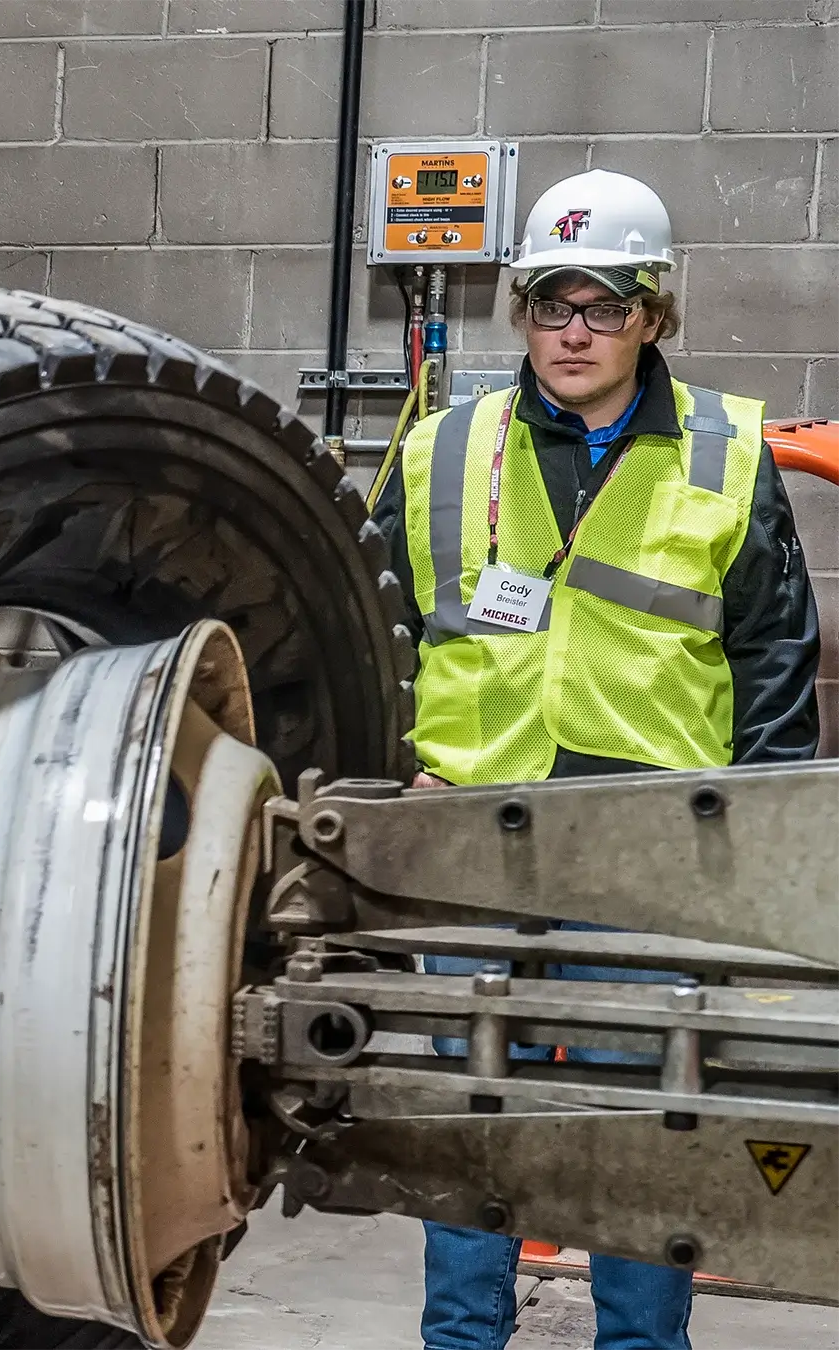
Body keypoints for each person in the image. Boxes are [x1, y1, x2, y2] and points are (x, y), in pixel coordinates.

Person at [373, 168, 819, 1350]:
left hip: (653, 850)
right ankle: (460, 1343)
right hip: (474, 842)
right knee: (479, 1124)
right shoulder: (444, 447)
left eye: (604, 306)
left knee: (639, 1129)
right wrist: (385, 779)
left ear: (653, 317)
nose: (573, 331)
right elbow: (371, 629)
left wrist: (761, 857)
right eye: (550, 303)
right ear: (520, 309)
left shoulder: (725, 449)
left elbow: (775, 654)